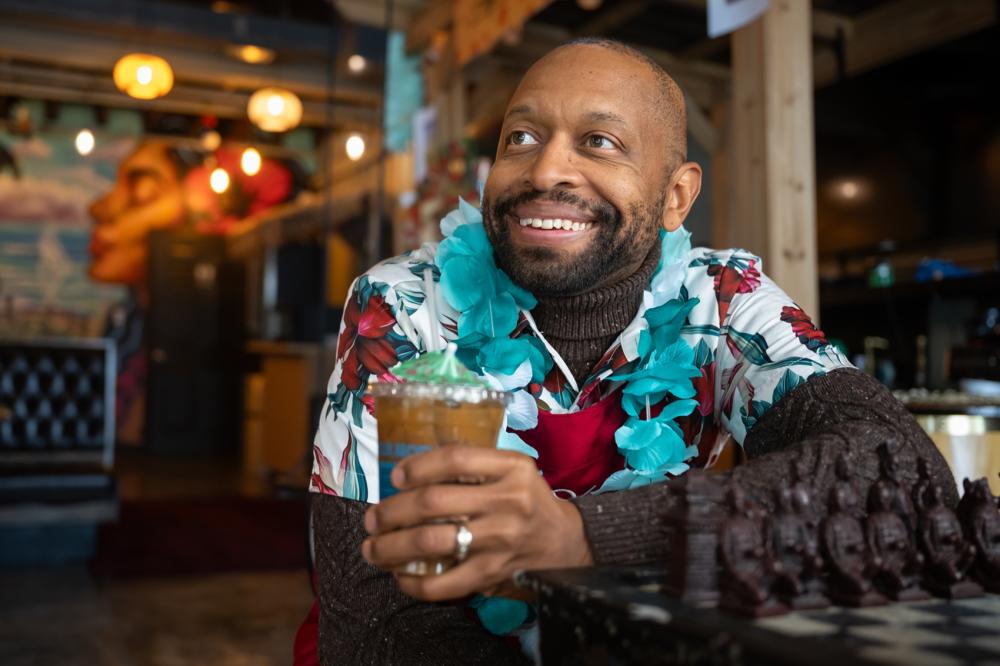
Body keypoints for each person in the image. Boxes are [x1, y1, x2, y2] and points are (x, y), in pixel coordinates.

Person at [299, 39, 957, 665]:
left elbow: (902, 471)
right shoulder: (405, 301)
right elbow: (375, 614)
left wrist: (582, 535)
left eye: (600, 142)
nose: (547, 169)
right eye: (520, 138)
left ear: (676, 196)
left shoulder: (724, 299)